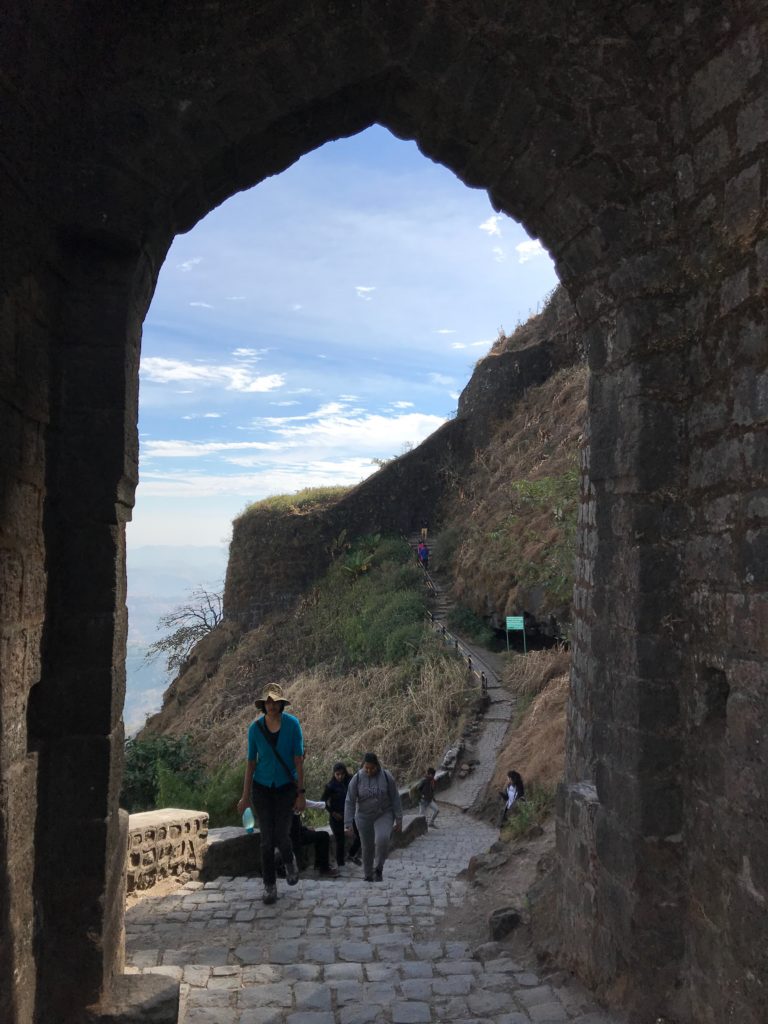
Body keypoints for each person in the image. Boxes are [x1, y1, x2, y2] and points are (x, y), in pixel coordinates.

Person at [237, 683, 306, 905]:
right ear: (263, 706)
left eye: (275, 702)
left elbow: (298, 761)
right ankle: (269, 885)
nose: (272, 705)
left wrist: (300, 793)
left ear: (281, 705)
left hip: (286, 788)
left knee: (281, 836)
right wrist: (245, 796)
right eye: (268, 702)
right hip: (262, 789)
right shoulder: (254, 729)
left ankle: (289, 859)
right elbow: (250, 763)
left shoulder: (293, 725)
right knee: (266, 841)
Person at [344, 752, 402, 882]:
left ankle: (379, 868)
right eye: (366, 768)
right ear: (363, 766)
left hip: (384, 813)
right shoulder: (357, 778)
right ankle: (368, 875)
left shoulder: (386, 777)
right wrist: (347, 823)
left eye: (372, 768)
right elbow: (349, 801)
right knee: (367, 846)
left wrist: (399, 817)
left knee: (382, 839)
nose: (369, 771)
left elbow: (395, 797)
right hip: (364, 816)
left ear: (377, 766)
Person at [322, 762, 362, 867]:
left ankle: (351, 854)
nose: (340, 777)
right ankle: (341, 864)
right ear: (334, 774)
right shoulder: (330, 786)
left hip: (350, 814)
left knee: (361, 835)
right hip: (336, 817)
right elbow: (322, 802)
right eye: (337, 774)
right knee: (340, 841)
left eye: (342, 774)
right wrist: (333, 812)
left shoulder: (350, 781)